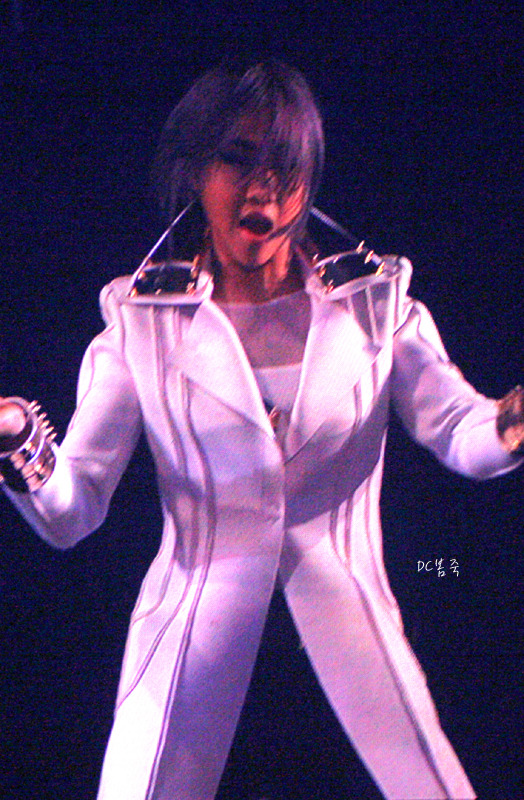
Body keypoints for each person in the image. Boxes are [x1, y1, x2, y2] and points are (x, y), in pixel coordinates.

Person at [0, 60, 523, 800]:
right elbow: (71, 509)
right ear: (195, 171)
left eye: (286, 165)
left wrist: (510, 424)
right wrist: (15, 437)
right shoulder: (144, 324)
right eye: (238, 159)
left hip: (354, 643)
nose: (262, 189)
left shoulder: (374, 304)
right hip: (191, 655)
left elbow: (459, 429)